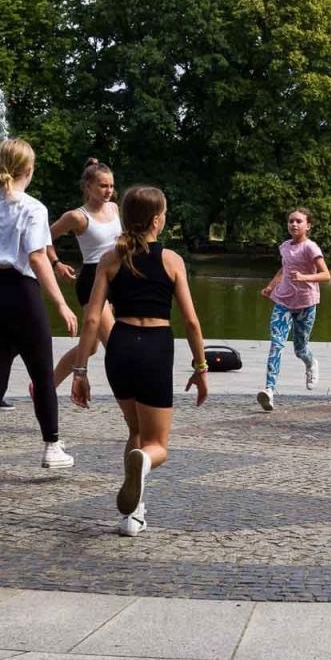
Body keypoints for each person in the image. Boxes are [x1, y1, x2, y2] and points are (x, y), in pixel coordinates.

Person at [70, 186, 208, 534]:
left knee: (135, 431)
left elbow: (90, 318)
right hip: (155, 348)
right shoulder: (172, 260)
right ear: (157, 219)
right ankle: (143, 464)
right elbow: (191, 321)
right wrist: (201, 367)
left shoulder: (110, 259)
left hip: (120, 347)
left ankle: (133, 515)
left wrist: (80, 371)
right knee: (156, 445)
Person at [0, 138, 81, 495]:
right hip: (20, 293)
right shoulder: (33, 208)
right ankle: (52, 446)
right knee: (42, 372)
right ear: (29, 170)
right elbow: (38, 257)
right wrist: (60, 302)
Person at [50, 159, 120, 388]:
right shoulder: (78, 217)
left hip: (117, 277)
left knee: (90, 347)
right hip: (92, 279)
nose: (108, 190)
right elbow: (43, 237)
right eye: (102, 186)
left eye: (110, 185)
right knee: (116, 346)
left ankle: (45, 386)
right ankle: (131, 402)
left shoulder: (115, 208)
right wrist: (56, 262)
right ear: (88, 187)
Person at [258, 206, 329, 410]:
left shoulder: (310, 248)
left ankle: (310, 363)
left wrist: (305, 277)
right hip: (283, 301)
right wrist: (271, 286)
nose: (294, 224)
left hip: (306, 303)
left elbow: (326, 275)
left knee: (300, 348)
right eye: (291, 221)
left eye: (299, 221)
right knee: (276, 343)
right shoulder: (285, 246)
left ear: (308, 226)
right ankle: (269, 390)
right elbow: (284, 268)